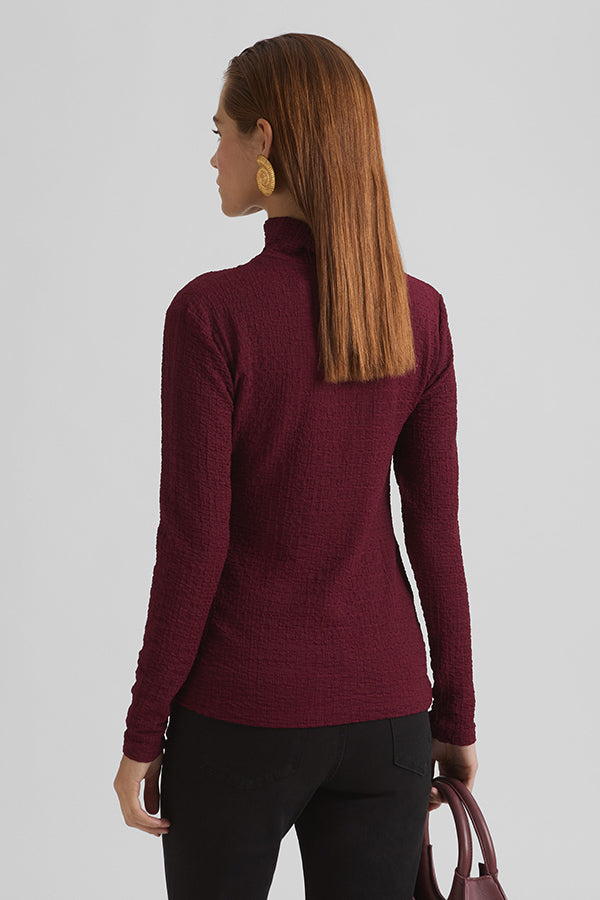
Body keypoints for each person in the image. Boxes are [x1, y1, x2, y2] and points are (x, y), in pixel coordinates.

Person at [113, 32, 478, 900]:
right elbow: (435, 531)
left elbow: (194, 542)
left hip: (240, 716)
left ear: (266, 139)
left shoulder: (212, 315)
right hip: (388, 717)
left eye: (221, 132)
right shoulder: (419, 314)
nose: (214, 157)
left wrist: (142, 730)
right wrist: (456, 714)